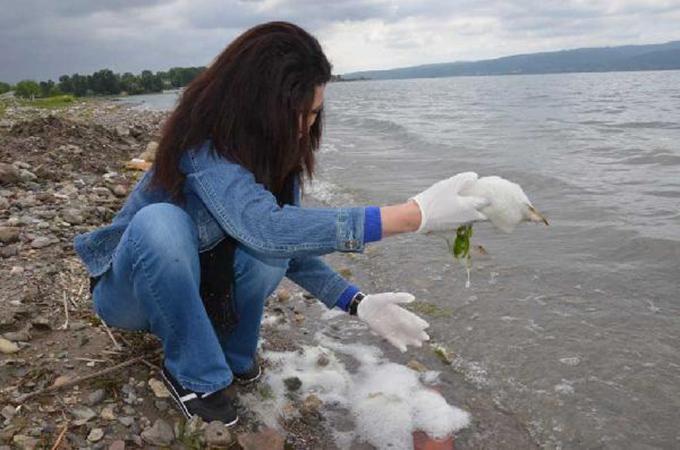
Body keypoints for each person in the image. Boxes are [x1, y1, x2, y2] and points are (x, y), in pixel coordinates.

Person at [73, 21, 490, 426]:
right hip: (130, 294)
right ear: (259, 104)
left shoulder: (274, 159)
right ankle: (195, 375)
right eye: (301, 113)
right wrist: (410, 215)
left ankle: (233, 356)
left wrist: (356, 301)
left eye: (314, 114)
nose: (307, 126)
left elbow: (287, 245)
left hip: (202, 291)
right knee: (159, 224)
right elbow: (264, 228)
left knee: (269, 256)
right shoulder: (202, 146)